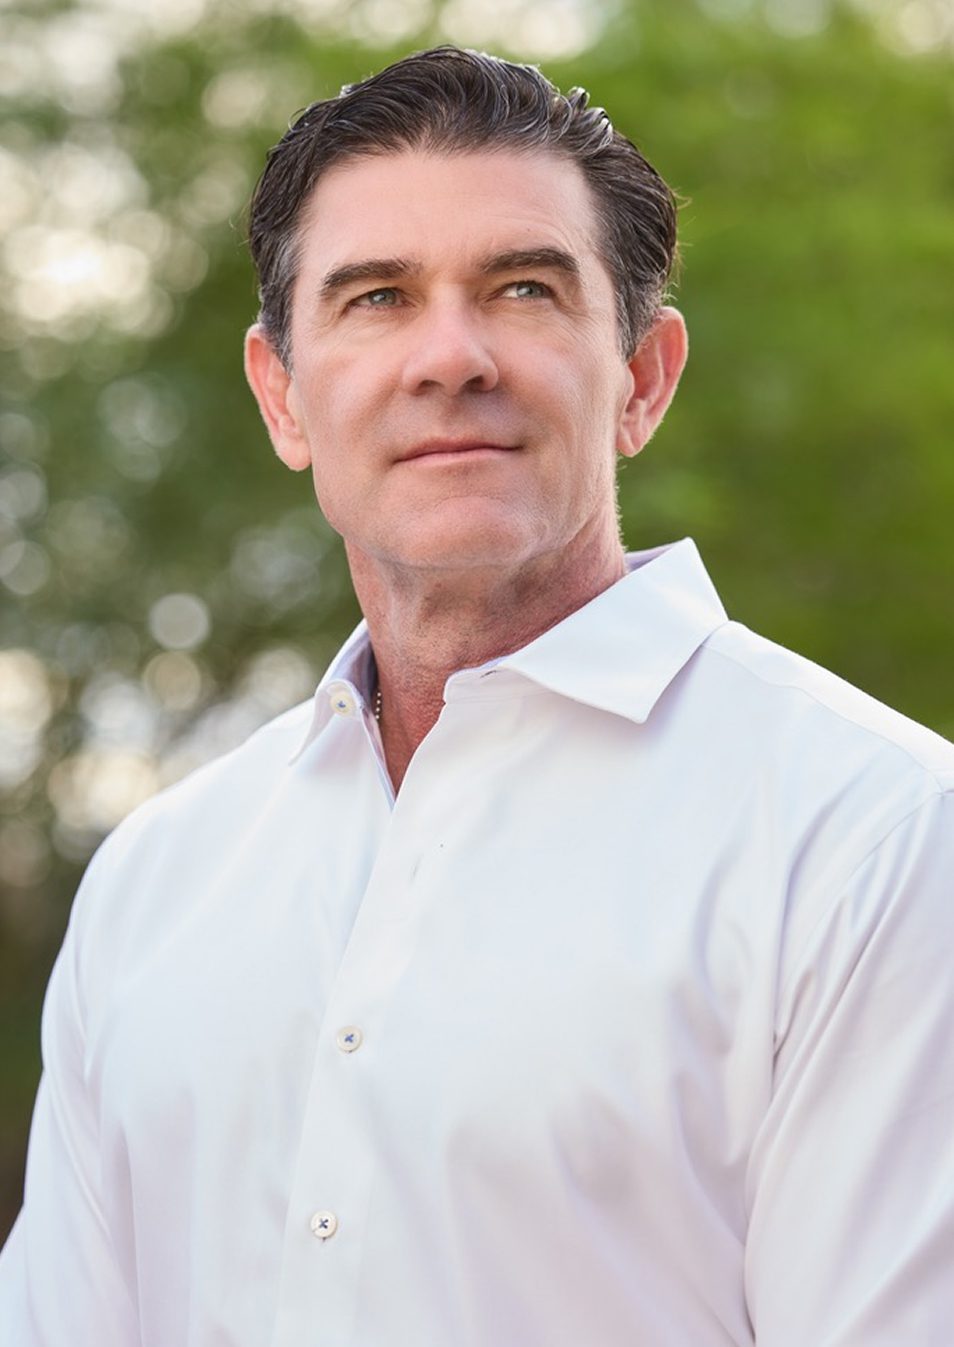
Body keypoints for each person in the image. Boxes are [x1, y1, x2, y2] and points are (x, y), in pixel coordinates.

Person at [1, 45, 952, 1347]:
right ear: (283, 396)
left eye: (522, 289)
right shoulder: (154, 881)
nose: (449, 357)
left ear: (642, 377)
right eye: (377, 298)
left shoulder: (878, 841)